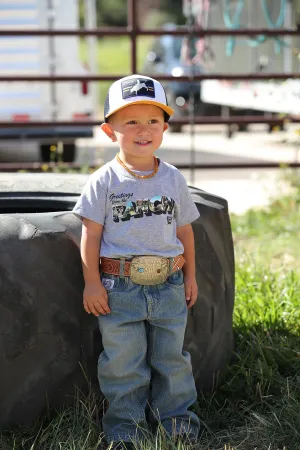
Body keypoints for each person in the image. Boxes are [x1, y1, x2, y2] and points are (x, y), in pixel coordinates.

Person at [73, 74, 200, 450]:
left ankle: (176, 423)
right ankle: (125, 429)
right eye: (131, 121)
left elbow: (186, 232)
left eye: (153, 121)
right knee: (124, 362)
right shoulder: (103, 181)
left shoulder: (173, 179)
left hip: (169, 285)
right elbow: (91, 236)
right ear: (109, 130)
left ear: (164, 127)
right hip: (119, 288)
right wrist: (92, 282)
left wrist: (191, 276)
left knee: (171, 358)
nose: (143, 130)